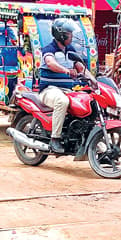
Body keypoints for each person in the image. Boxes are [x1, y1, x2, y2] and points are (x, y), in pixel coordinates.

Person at [37, 18, 87, 153]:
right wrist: (66, 71)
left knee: (86, 103)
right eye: (69, 34)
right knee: (62, 101)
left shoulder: (70, 50)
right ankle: (55, 138)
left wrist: (94, 79)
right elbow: (50, 63)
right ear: (61, 35)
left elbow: (81, 67)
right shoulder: (49, 49)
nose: (71, 36)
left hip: (67, 90)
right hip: (49, 90)